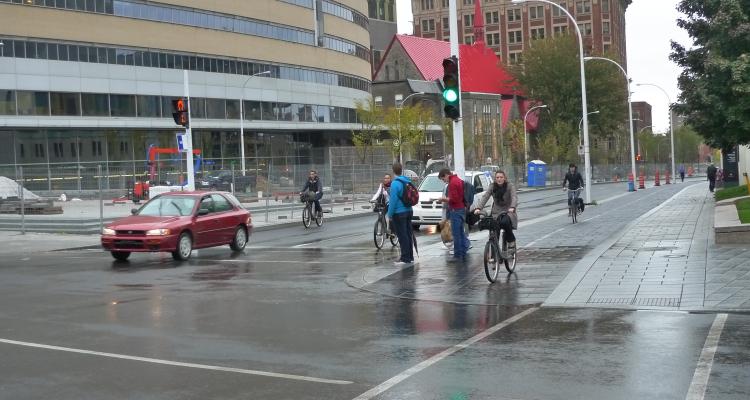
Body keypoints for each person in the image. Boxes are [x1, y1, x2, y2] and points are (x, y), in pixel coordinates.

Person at [473, 171, 518, 251]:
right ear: (495, 179)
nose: (499, 179)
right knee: (494, 227)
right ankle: (495, 252)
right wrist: (478, 208)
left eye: (501, 177)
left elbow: (514, 197)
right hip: (496, 212)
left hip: (508, 211)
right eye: (497, 177)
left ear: (504, 178)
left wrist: (512, 207)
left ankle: (511, 240)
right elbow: (485, 196)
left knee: (505, 222)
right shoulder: (492, 186)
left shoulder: (510, 186)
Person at [439, 168, 470, 260]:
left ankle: (458, 255)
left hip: (455, 210)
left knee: (456, 234)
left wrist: (443, 199)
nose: (444, 181)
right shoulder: (458, 180)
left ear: (446, 175)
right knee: (460, 232)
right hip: (461, 209)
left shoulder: (452, 183)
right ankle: (463, 252)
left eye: (443, 179)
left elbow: (454, 199)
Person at [387, 163, 414, 266]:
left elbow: (393, 201)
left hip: (399, 213)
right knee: (408, 234)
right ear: (401, 170)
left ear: (393, 171)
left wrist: (389, 214)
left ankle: (404, 258)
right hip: (409, 210)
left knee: (402, 236)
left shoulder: (395, 183)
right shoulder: (407, 180)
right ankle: (410, 257)